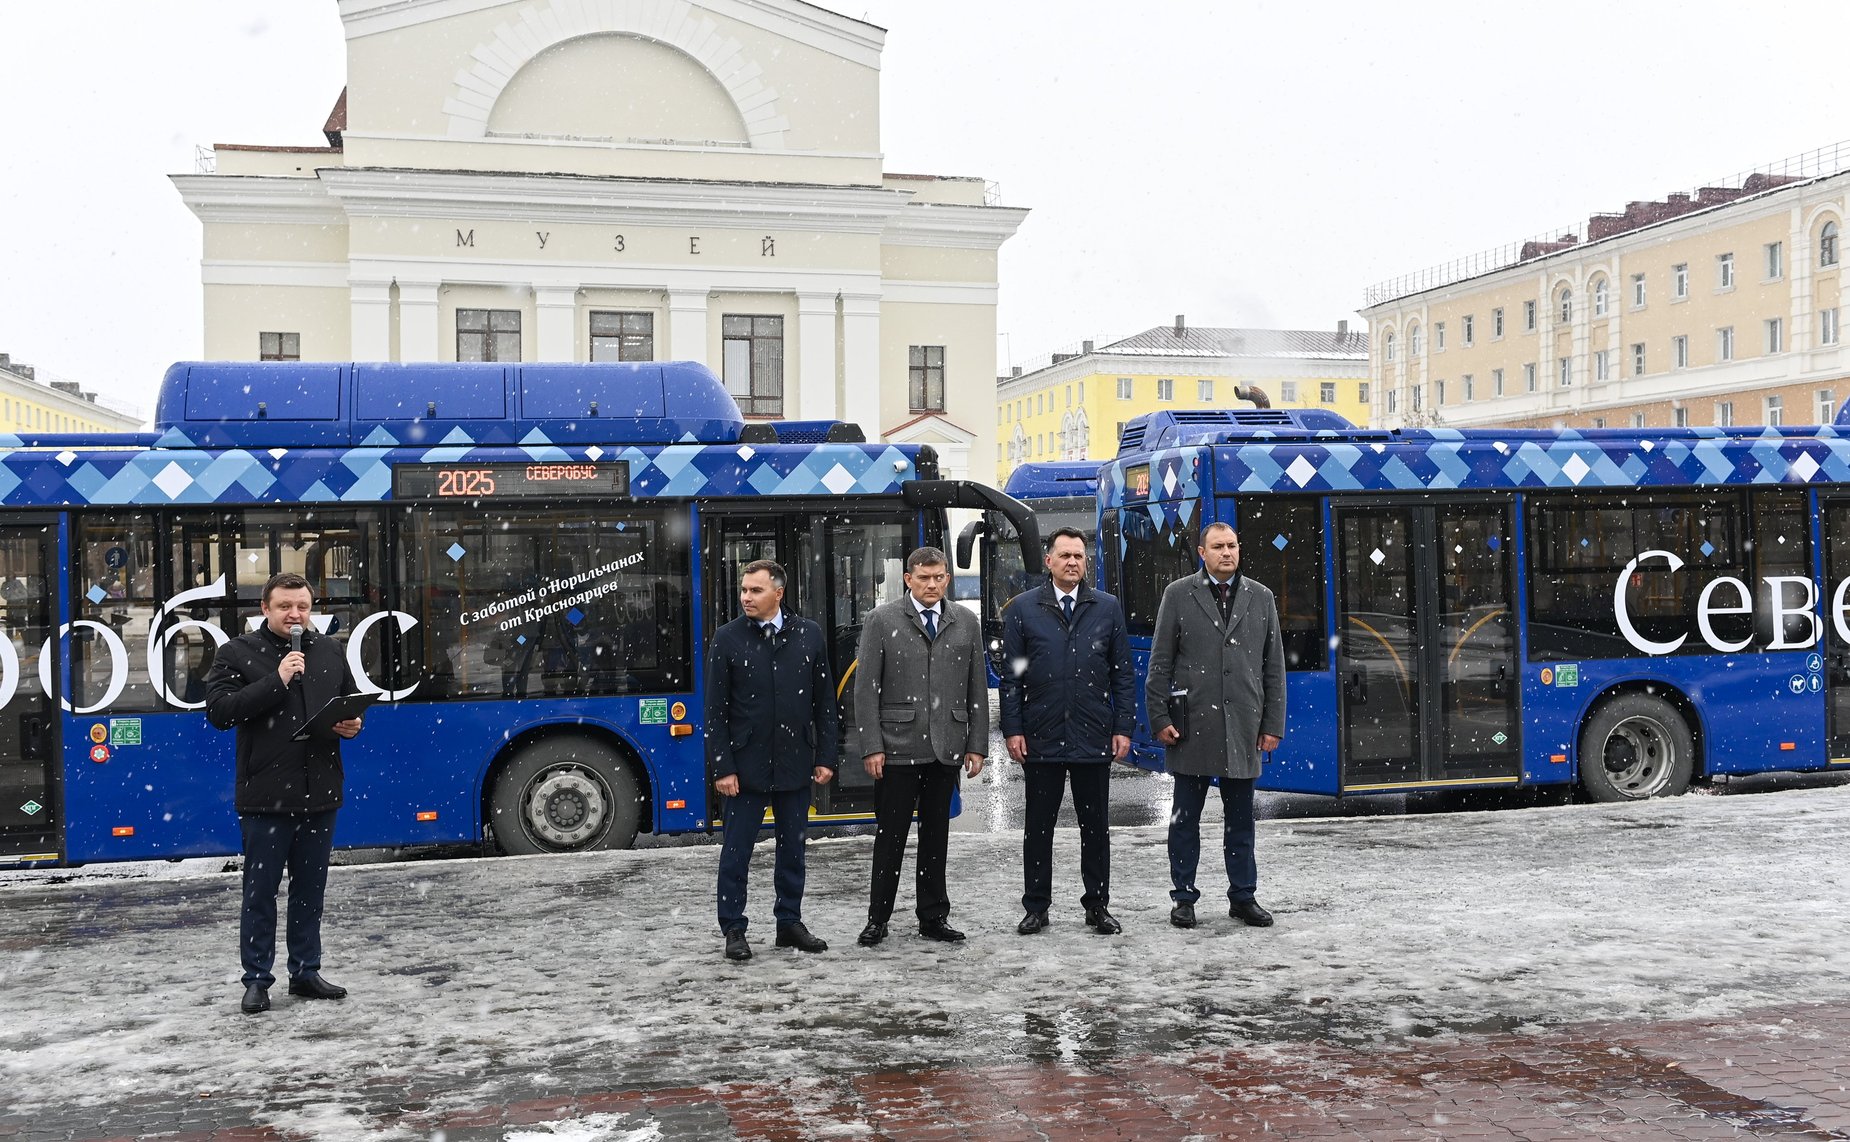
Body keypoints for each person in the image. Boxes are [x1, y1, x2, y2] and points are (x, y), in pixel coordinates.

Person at [205, 571, 364, 1015]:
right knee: (260, 892)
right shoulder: (236, 653)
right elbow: (219, 712)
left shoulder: (331, 650)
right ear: (265, 609)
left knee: (310, 890)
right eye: (285, 607)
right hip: (265, 795)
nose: (295, 615)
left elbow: (347, 701)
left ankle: (305, 972)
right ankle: (257, 979)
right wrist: (276, 679)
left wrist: (352, 725)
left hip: (320, 791)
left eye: (303, 607)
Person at [1144, 522, 1286, 930]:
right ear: (1202, 553)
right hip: (1191, 729)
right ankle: (1184, 898)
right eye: (1218, 547)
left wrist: (1271, 724)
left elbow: (1273, 668)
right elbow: (1159, 665)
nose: (1227, 553)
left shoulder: (1262, 598)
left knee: (1241, 821)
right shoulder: (1178, 595)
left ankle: (1243, 897)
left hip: (1243, 727)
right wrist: (1159, 719)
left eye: (1232, 546)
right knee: (1184, 820)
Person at [999, 526, 1136, 936]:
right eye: (1065, 556)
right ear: (1049, 561)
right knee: (1037, 829)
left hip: (1093, 733)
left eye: (1079, 556)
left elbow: (1123, 675)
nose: (1073, 562)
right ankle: (1036, 907)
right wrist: (1013, 728)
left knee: (1095, 829)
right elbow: (1011, 677)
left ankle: (1097, 906)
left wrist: (1123, 726)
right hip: (1040, 735)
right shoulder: (1023, 609)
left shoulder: (1106, 607)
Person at [852, 546, 988, 946]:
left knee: (936, 838)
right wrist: (872, 746)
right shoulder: (882, 620)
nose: (932, 584)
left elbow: (976, 686)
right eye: (924, 577)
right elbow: (865, 690)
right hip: (896, 748)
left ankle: (933, 916)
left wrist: (976, 744)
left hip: (946, 747)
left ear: (947, 578)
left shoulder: (965, 621)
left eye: (940, 577)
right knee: (890, 836)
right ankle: (878, 919)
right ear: (908, 579)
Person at [705, 559, 838, 962]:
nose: (746, 597)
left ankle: (789, 923)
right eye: (743, 590)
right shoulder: (727, 638)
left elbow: (824, 703)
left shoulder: (808, 634)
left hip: (796, 761)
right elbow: (714, 711)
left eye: (755, 590)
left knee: (793, 849)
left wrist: (826, 755)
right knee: (736, 852)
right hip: (744, 768)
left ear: (778, 593)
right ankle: (733, 928)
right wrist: (723, 767)